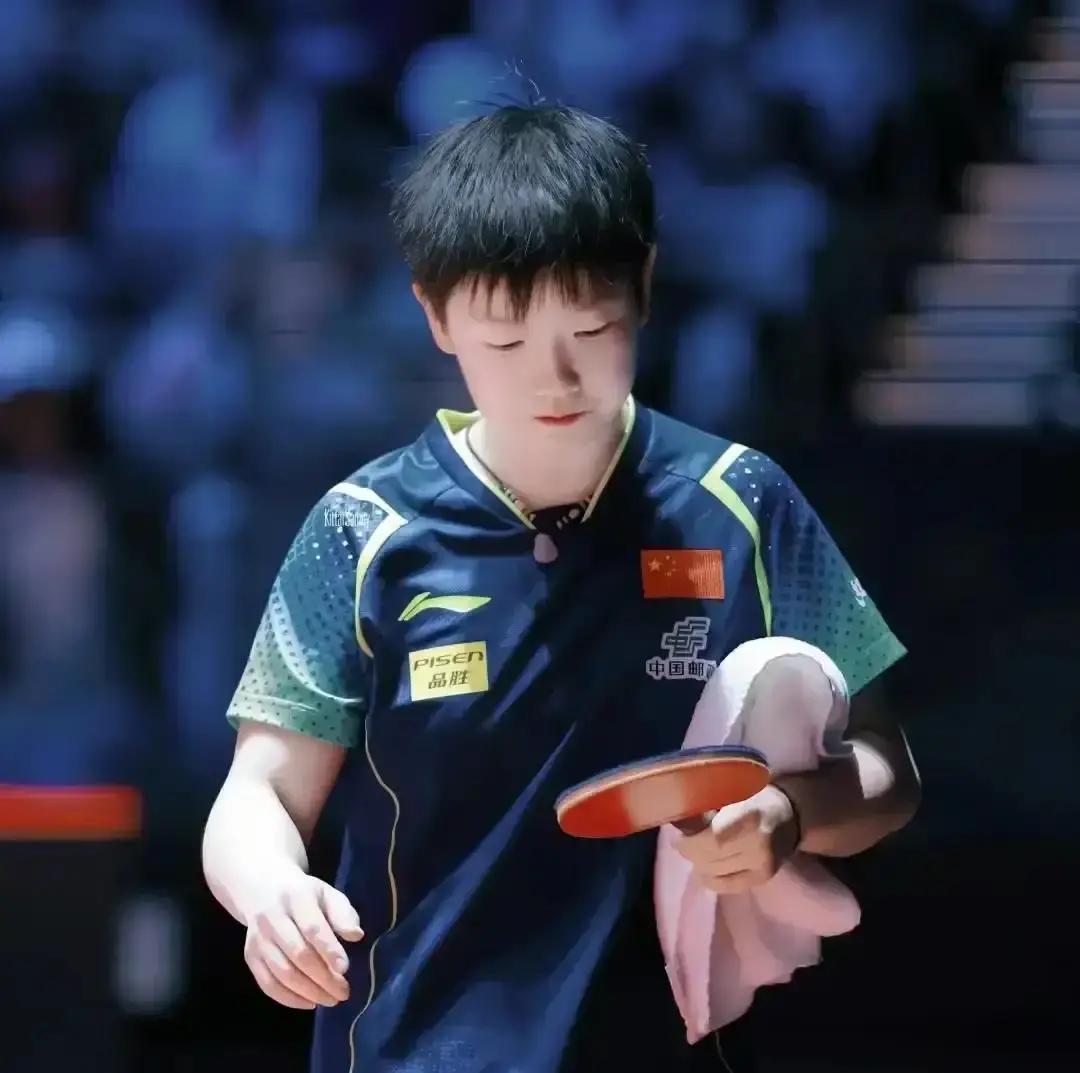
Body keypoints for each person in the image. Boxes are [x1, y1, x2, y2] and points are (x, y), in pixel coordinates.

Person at [202, 104, 921, 1073]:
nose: (556, 376)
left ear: (645, 286)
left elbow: (885, 768)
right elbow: (259, 790)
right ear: (436, 314)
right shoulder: (361, 531)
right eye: (506, 340)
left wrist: (790, 812)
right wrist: (270, 891)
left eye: (591, 326)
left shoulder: (744, 502)